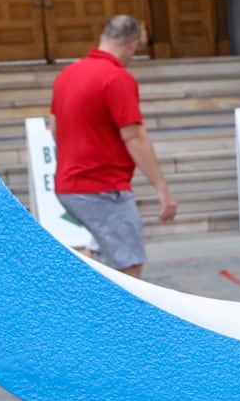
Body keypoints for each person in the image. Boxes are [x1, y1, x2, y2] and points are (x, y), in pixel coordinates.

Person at [50, 14, 175, 278]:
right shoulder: (117, 78)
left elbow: (54, 127)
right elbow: (134, 137)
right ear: (133, 45)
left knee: (104, 253)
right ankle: (114, 318)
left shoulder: (67, 74)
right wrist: (162, 189)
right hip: (101, 186)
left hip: (69, 183)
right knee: (129, 266)